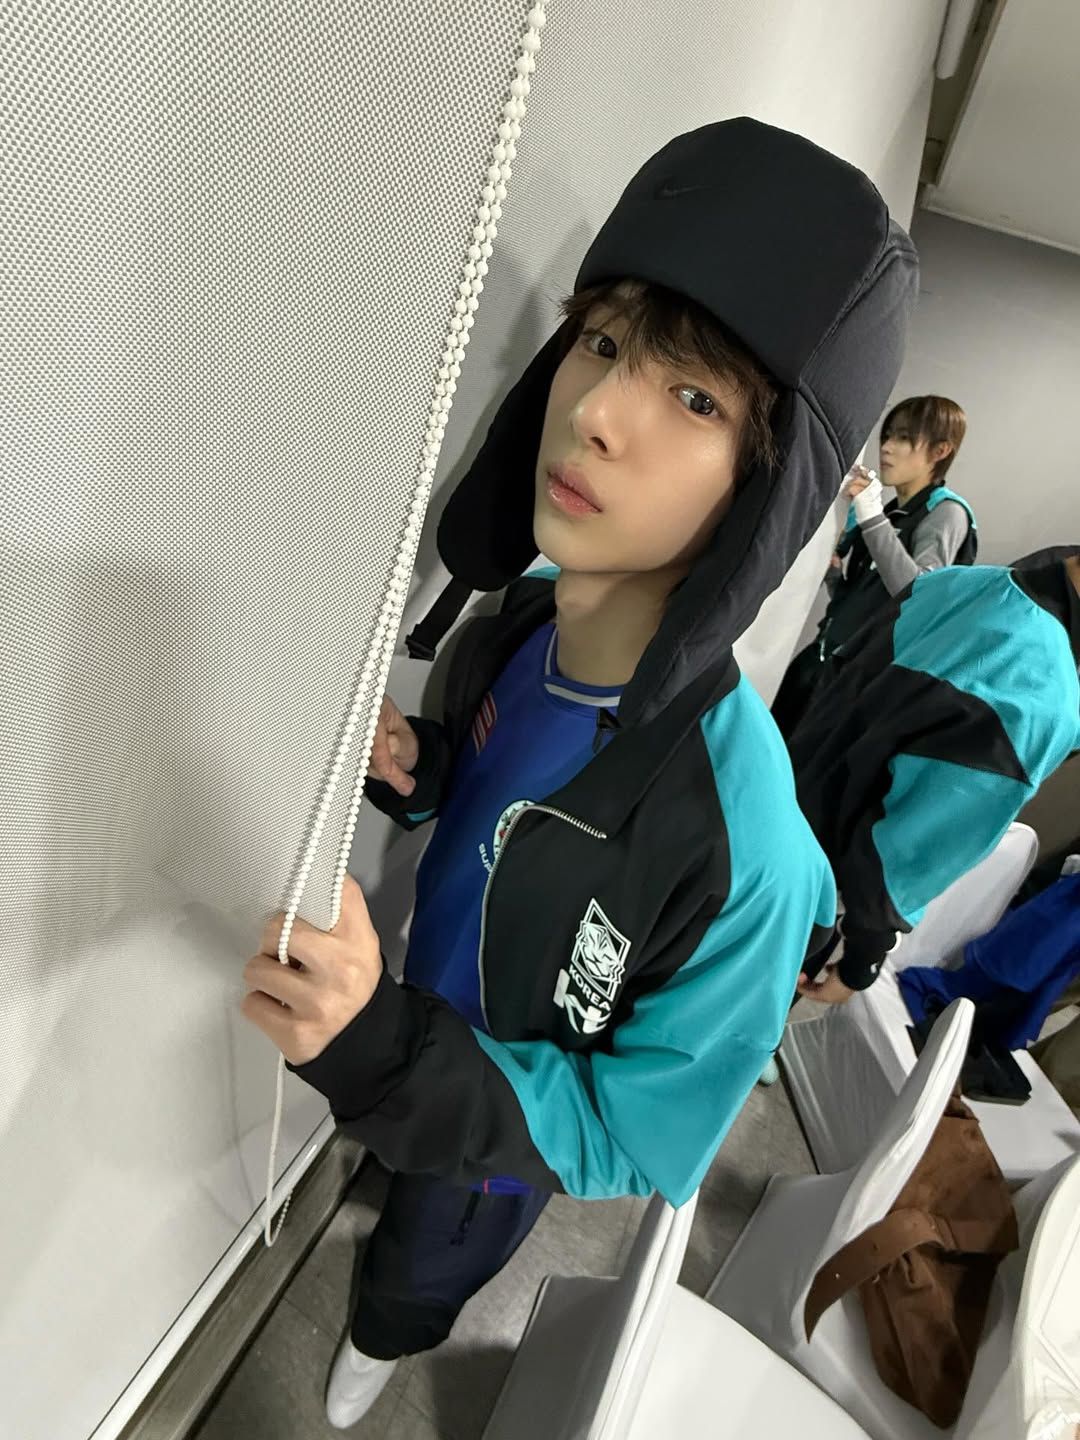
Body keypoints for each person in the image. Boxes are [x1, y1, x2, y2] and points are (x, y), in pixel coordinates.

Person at [239, 117, 918, 1427]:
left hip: (502, 1134)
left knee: (419, 1258)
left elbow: (637, 1136)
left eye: (696, 398)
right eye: (602, 344)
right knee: (389, 1153)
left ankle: (384, 1338)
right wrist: (419, 769)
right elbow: (491, 805)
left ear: (770, 484)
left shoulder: (749, 855)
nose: (599, 413)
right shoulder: (513, 632)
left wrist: (384, 1053)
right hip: (399, 1003)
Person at [788, 551, 1080, 1005]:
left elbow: (837, 688)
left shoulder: (954, 583)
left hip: (768, 815)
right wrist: (863, 957)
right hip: (807, 897)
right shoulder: (1043, 697)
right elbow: (913, 848)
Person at [772, 394, 974, 739]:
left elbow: (917, 594)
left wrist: (871, 515)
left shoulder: (946, 512)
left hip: (856, 683)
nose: (887, 447)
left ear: (940, 451)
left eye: (904, 438)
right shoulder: (893, 511)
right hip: (822, 658)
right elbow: (861, 600)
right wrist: (833, 571)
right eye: (888, 435)